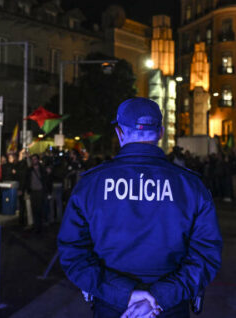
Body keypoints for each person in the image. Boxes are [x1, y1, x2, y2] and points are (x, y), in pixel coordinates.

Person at [58, 97, 222, 318]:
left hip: (112, 305)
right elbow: (206, 254)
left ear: (119, 133)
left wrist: (125, 293)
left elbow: (72, 253)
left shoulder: (90, 184)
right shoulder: (190, 185)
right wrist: (158, 298)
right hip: (169, 306)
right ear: (161, 133)